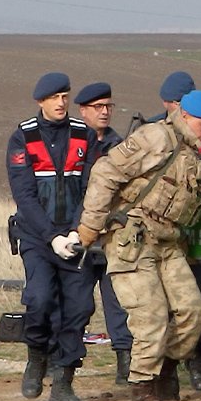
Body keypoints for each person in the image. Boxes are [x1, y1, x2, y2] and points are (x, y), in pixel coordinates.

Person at [77, 89, 201, 401]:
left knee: (192, 312)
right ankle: (143, 396)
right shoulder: (156, 137)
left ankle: (165, 373)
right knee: (151, 318)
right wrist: (90, 225)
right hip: (133, 241)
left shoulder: (195, 152)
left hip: (170, 245)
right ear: (185, 116)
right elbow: (104, 172)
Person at [6, 72, 96, 401]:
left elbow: (91, 188)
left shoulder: (83, 135)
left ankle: (64, 381)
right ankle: (37, 355)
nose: (61, 103)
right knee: (41, 298)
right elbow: (24, 195)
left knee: (78, 309)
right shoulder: (23, 137)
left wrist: (76, 230)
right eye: (54, 97)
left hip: (76, 237)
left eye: (65, 96)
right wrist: (51, 236)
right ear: (40, 101)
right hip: (36, 236)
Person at [153, 70, 201, 392]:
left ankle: (196, 354)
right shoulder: (153, 132)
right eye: (171, 104)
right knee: (160, 304)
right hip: (163, 233)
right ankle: (158, 370)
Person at [74, 81, 133, 385]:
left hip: (111, 237)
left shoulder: (121, 146)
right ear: (83, 110)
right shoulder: (73, 144)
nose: (105, 112)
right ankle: (67, 364)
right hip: (79, 237)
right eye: (98, 107)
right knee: (77, 303)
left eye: (109, 106)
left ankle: (125, 363)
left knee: (118, 303)